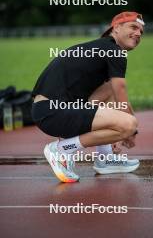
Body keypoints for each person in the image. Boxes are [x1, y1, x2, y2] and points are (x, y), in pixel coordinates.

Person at [32, 11, 144, 183]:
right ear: (116, 28)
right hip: (54, 112)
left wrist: (113, 130)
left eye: (141, 32)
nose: (138, 34)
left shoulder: (101, 47)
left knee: (109, 91)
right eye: (133, 27)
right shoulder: (114, 50)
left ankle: (104, 158)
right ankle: (62, 149)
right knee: (128, 124)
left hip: (49, 111)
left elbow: (114, 94)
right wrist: (128, 132)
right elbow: (122, 95)